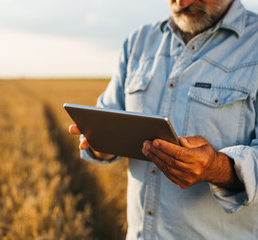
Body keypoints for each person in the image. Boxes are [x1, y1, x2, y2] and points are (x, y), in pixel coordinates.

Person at [69, 0, 258, 239]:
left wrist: (218, 168)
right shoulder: (139, 41)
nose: (182, 2)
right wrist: (98, 142)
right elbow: (108, 117)